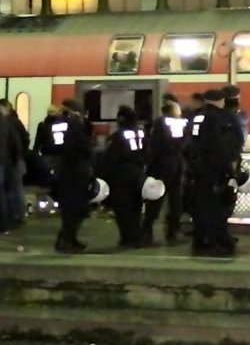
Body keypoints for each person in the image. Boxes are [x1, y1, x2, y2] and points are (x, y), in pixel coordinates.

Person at [184, 89, 238, 257]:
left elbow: (187, 143)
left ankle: (201, 240)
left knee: (201, 207)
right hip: (215, 169)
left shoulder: (196, 116)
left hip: (198, 169)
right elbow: (223, 146)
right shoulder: (221, 118)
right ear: (219, 100)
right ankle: (219, 242)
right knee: (217, 208)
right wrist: (230, 170)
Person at [49, 99, 93, 254]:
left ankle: (69, 238)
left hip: (63, 169)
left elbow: (52, 145)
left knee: (70, 208)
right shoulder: (74, 125)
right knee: (76, 208)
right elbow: (83, 147)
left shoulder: (56, 124)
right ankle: (65, 239)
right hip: (75, 170)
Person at [142, 98, 188, 244]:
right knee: (176, 200)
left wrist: (149, 167)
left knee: (156, 199)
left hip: (162, 165)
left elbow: (155, 146)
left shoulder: (160, 123)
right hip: (179, 164)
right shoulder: (183, 123)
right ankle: (172, 232)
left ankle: (146, 232)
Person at [102, 105, 147, 248]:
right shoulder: (141, 133)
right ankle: (136, 236)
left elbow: (110, 158)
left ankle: (127, 238)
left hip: (122, 174)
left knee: (122, 208)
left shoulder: (117, 136)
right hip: (138, 173)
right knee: (136, 206)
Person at [0, 100, 28, 232]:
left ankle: (9, 220)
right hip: (8, 162)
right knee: (9, 191)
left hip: (8, 162)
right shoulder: (8, 123)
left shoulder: (10, 122)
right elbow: (17, 143)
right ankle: (11, 220)